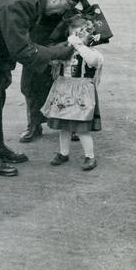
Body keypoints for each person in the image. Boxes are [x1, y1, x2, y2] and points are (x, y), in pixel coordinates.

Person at [0, 0, 89, 177]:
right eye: (61, 9)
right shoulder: (24, 0)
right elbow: (22, 51)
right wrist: (57, 52)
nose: (57, 15)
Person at [41, 15, 103, 171]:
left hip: (81, 91)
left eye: (80, 35)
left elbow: (93, 62)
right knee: (64, 126)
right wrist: (57, 52)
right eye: (73, 35)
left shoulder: (92, 53)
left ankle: (90, 156)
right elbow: (52, 61)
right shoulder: (66, 51)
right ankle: (63, 153)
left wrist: (80, 46)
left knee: (82, 128)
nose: (76, 39)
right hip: (63, 89)